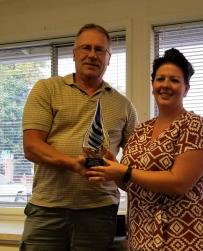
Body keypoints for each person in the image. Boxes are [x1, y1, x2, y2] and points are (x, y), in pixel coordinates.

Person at [20, 23, 138, 251]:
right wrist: (73, 164)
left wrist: (118, 170)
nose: (92, 55)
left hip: (99, 213)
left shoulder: (124, 106)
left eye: (99, 50)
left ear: (109, 58)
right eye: (86, 48)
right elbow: (31, 146)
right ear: (74, 54)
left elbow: (135, 164)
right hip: (47, 210)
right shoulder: (47, 89)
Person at [86, 48, 203, 251]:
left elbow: (179, 183)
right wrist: (113, 167)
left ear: (186, 88)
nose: (165, 85)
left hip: (185, 234)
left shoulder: (194, 125)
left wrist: (125, 171)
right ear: (153, 84)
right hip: (142, 233)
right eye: (160, 79)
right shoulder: (141, 131)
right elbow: (130, 184)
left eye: (174, 80)